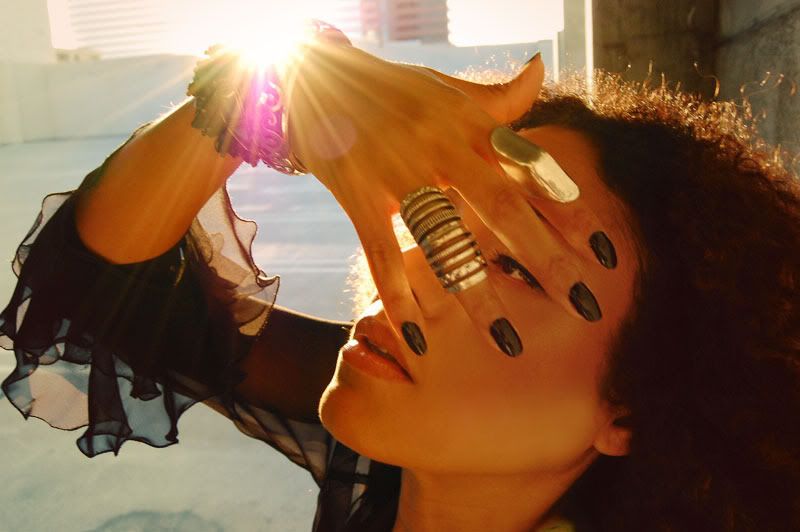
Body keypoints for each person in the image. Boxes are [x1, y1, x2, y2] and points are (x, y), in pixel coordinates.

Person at [2, 27, 799, 532]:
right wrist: (275, 97)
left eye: (516, 267)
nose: (417, 274)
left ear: (631, 405)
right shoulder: (395, 472)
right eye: (437, 223)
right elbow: (103, 297)